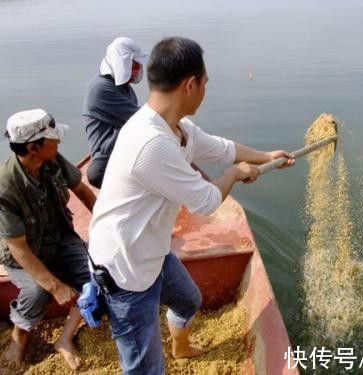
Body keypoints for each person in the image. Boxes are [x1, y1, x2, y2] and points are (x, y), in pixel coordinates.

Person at [88, 37, 295, 374]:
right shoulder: (151, 143)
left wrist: (267, 156)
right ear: (189, 85)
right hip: (125, 270)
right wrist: (234, 174)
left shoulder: (175, 127)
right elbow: (207, 201)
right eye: (205, 83)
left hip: (149, 251)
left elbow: (221, 148)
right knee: (144, 368)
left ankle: (180, 347)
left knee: (188, 299)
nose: (206, 90)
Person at [0, 109, 96, 370]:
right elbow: (18, 248)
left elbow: (83, 192)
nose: (59, 142)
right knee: (37, 291)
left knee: (96, 275)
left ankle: (65, 339)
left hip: (60, 238)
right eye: (53, 138)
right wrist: (54, 286)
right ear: (33, 147)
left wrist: (107, 230)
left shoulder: (52, 160)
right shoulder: (5, 187)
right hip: (25, 252)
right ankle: (19, 338)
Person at [83, 37, 148, 188]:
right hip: (108, 160)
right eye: (134, 65)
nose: (138, 70)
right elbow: (141, 120)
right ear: (122, 64)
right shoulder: (101, 88)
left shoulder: (123, 87)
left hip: (125, 151)